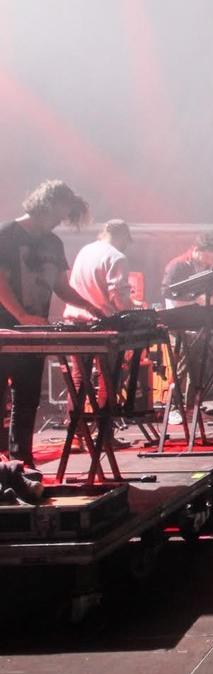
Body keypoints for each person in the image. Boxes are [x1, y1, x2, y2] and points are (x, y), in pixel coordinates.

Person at [0, 180, 101, 467]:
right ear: (45, 205)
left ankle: (22, 463)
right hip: (5, 330)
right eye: (59, 214)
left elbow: (61, 286)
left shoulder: (53, 243)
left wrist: (90, 305)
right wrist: (21, 316)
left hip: (34, 332)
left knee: (28, 397)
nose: (60, 221)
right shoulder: (7, 234)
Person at [62, 219, 138, 414]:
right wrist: (136, 309)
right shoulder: (117, 257)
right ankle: (105, 436)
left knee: (79, 378)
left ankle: (77, 433)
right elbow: (118, 297)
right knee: (109, 377)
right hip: (103, 324)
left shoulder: (85, 251)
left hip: (75, 322)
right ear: (122, 237)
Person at [161, 233, 213, 308]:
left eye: (212, 258)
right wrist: (193, 299)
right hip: (178, 314)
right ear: (195, 250)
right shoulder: (177, 265)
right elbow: (166, 291)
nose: (209, 261)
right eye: (206, 256)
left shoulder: (211, 268)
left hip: (201, 315)